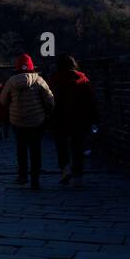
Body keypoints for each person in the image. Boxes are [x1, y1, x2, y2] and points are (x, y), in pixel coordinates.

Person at [0, 54, 54, 188]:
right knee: (35, 149)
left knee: (21, 148)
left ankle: (22, 176)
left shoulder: (11, 81)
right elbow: (49, 99)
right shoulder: (39, 80)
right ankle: (35, 179)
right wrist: (47, 112)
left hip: (17, 120)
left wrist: (12, 107)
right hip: (37, 120)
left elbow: (2, 100)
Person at [48, 53, 99, 187]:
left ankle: (65, 170)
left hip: (59, 117)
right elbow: (92, 101)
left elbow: (48, 100)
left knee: (61, 145)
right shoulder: (83, 80)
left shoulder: (54, 80)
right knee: (78, 146)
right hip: (79, 118)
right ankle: (78, 175)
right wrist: (94, 118)